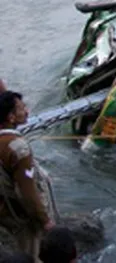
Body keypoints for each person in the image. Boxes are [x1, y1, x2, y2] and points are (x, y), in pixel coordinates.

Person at [0, 92, 55, 259]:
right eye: (22, 109)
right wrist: (44, 219)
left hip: (4, 209)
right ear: (11, 117)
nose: (27, 112)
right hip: (19, 215)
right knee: (30, 253)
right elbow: (27, 191)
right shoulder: (18, 148)